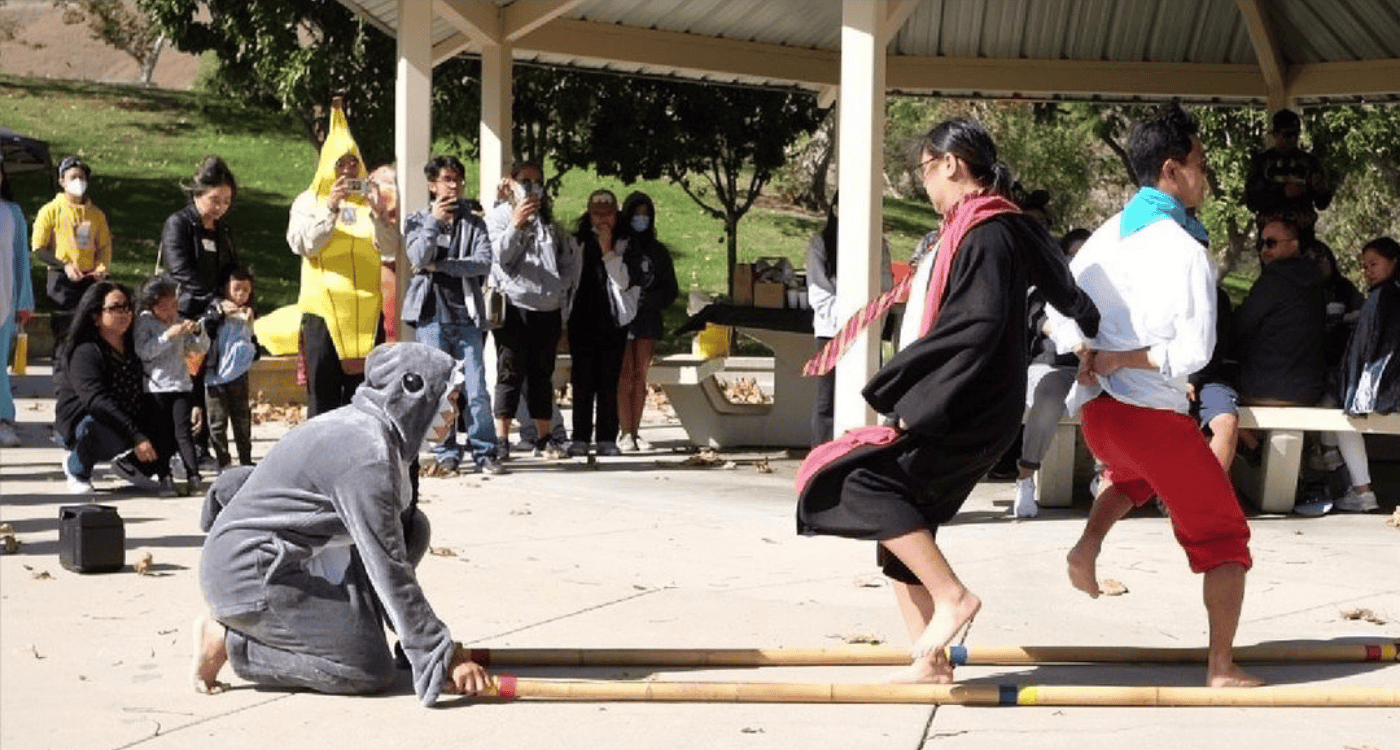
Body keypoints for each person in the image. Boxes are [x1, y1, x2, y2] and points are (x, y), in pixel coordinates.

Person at [796, 118, 1098, 684]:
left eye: (926, 170)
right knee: (907, 527)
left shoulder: (988, 231)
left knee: (863, 484)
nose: (925, 183)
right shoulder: (985, 227)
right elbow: (1063, 289)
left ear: (952, 164)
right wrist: (1086, 314)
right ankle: (930, 662)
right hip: (966, 398)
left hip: (965, 401)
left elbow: (975, 326)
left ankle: (953, 598)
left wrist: (911, 393)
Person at [1050, 103, 1261, 688]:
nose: (1205, 175)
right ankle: (1221, 667)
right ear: (1171, 170)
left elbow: (1058, 315)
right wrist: (1119, 357)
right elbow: (1192, 353)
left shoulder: (1102, 236)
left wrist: (1090, 355)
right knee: (1226, 541)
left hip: (1099, 416)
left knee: (1133, 480)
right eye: (1199, 164)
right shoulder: (1184, 250)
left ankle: (1086, 547)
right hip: (1149, 417)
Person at [191, 342, 493, 704]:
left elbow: (246, 482)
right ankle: (230, 641)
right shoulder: (366, 454)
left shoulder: (367, 429)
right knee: (367, 669)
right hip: (248, 572)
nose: (453, 413)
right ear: (414, 392)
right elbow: (388, 563)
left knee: (413, 527)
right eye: (450, 400)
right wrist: (433, 650)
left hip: (288, 553)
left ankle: (350, 628)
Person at [287, 105, 402, 418]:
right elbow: (303, 245)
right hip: (324, 313)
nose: (350, 170)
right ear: (328, 166)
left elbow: (391, 249)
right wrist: (331, 207)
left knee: (364, 401)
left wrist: (380, 215)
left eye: (354, 162)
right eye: (342, 164)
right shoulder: (309, 201)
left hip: (366, 314)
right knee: (323, 400)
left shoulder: (369, 204)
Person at [402, 155, 505, 475]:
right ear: (432, 185)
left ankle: (485, 451)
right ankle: (446, 451)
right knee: (439, 391)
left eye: (458, 179)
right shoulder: (417, 220)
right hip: (431, 316)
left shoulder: (474, 222)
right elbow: (417, 255)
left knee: (475, 389)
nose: (454, 185)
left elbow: (482, 263)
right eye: (447, 179)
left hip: (467, 318)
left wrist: (440, 267)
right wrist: (434, 221)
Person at [484, 161, 576, 460]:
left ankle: (544, 436)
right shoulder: (499, 216)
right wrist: (516, 224)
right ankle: (501, 440)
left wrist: (560, 301)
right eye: (526, 181)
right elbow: (500, 257)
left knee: (542, 375)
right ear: (512, 182)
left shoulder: (548, 221)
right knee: (509, 373)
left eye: (538, 182)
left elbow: (564, 264)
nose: (532, 187)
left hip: (547, 307)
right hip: (514, 305)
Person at [159, 155, 241, 469]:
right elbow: (179, 271)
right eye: (215, 199)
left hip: (213, 319)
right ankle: (182, 447)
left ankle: (201, 445)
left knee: (207, 384)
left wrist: (239, 295)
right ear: (197, 194)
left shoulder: (223, 232)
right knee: (185, 383)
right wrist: (212, 301)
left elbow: (232, 269)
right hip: (185, 315)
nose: (220, 207)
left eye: (227, 201)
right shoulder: (179, 223)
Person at [53, 281, 164, 494]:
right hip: (89, 420)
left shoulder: (136, 346)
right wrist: (136, 435)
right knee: (100, 429)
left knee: (172, 415)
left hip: (128, 417)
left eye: (127, 307)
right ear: (96, 317)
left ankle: (133, 467)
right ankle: (76, 467)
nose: (124, 313)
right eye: (115, 308)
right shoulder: (85, 352)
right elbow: (96, 402)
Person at [1009, 229, 1089, 519]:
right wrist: (1071, 341)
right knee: (1049, 401)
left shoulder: (1105, 289)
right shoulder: (1045, 286)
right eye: (1073, 253)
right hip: (1053, 364)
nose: (1078, 259)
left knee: (1112, 399)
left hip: (1094, 364)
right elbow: (1038, 319)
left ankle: (1104, 475)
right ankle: (1026, 478)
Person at [806, 193, 892, 447]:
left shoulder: (877, 244)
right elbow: (819, 293)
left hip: (866, 331)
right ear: (834, 209)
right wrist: (844, 325)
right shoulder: (820, 243)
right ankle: (819, 462)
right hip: (830, 332)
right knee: (827, 401)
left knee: (865, 397)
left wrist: (868, 322)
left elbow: (885, 285)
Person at [1325, 236, 1400, 512]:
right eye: (1365, 265)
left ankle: (1361, 489)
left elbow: (1369, 352)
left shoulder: (1382, 297)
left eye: (1374, 264)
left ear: (1393, 263)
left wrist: (1358, 392)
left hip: (1386, 388)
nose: (1368, 270)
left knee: (1342, 418)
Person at [565, 189, 633, 457]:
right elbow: (568, 278)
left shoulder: (627, 243)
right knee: (582, 380)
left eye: (608, 213)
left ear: (616, 214)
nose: (602, 218)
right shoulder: (577, 241)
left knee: (608, 380)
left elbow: (624, 281)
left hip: (613, 319)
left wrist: (609, 250)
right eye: (596, 213)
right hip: (581, 317)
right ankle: (580, 436)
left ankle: (607, 437)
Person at [134, 275, 210, 496]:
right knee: (162, 433)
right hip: (156, 388)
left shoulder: (179, 320)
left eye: (174, 305)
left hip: (181, 385)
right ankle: (164, 475)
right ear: (153, 306)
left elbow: (198, 349)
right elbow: (144, 352)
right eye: (165, 307)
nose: (171, 312)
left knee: (183, 432)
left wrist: (197, 332)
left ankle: (193, 474)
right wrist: (167, 336)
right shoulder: (145, 323)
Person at [31, 155, 112, 360]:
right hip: (62, 281)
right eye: (73, 177)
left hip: (90, 279)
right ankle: (62, 375)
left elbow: (104, 246)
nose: (79, 182)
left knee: (90, 333)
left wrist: (102, 268)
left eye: (82, 177)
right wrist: (64, 265)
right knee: (66, 334)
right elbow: (39, 249)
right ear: (62, 181)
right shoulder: (50, 211)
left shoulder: (96, 214)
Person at [616, 191, 679, 452]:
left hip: (648, 321)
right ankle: (624, 431)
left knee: (640, 376)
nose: (640, 219)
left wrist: (651, 301)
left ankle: (636, 430)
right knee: (624, 377)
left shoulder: (658, 251)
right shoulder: (620, 247)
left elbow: (670, 289)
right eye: (636, 214)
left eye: (645, 214)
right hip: (623, 319)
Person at [1244, 109, 1332, 239]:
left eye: (1296, 134)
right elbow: (1251, 201)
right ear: (1275, 134)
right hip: (1272, 236)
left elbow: (1322, 203)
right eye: (1287, 134)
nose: (1292, 139)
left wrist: (1320, 189)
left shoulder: (1310, 162)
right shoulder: (1261, 162)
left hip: (1303, 235)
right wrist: (1282, 193)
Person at [204, 268, 259, 471]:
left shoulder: (248, 313)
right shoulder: (216, 309)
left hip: (238, 375)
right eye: (236, 289)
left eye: (246, 290)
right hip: (215, 375)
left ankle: (246, 459)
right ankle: (223, 461)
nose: (241, 294)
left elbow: (252, 340)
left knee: (242, 419)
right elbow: (205, 327)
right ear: (225, 289)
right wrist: (219, 313)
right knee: (218, 422)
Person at [0, 154, 35, 448]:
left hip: (4, 301)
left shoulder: (12, 213)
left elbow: (22, 259)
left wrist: (25, 300)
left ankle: (3, 419)